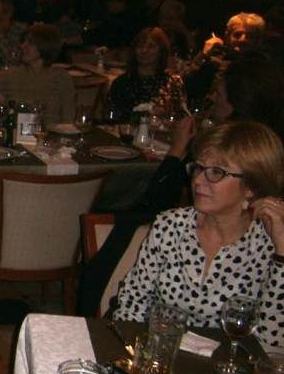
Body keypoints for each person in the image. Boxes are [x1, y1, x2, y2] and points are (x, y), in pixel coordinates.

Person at [114, 121, 284, 350]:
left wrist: (282, 254)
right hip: (160, 354)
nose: (197, 180)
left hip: (226, 366)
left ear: (251, 187)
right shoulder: (170, 226)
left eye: (216, 172)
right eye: (198, 168)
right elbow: (131, 306)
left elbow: (272, 345)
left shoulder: (267, 244)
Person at [0, 23, 75, 126]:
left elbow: (69, 120)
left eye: (30, 43)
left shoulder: (61, 77)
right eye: (23, 42)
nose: (22, 46)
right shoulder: (12, 74)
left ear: (45, 46)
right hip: (17, 136)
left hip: (50, 137)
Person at [106, 27, 185, 122]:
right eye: (140, 46)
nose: (144, 50)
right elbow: (113, 118)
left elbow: (180, 117)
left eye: (151, 47)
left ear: (161, 51)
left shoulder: (171, 83)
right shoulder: (122, 83)